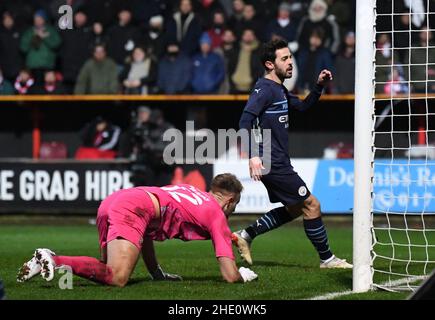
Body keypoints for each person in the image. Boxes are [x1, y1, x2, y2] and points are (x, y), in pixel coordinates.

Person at [232, 39, 352, 269]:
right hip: (271, 161)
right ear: (269, 64)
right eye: (284, 59)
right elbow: (244, 120)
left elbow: (304, 107)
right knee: (312, 205)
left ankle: (246, 235)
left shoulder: (279, 89)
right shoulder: (264, 89)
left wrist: (318, 86)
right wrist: (254, 155)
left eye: (290, 58)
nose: (290, 63)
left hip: (276, 161)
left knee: (296, 208)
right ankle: (327, 259)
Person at [17, 174, 258, 286]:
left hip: (116, 200)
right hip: (132, 208)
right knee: (117, 277)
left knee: (103, 270)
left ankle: (45, 260)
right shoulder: (216, 214)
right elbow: (228, 275)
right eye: (233, 207)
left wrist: (156, 273)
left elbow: (147, 230)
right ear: (229, 201)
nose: (232, 212)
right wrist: (241, 275)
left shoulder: (191, 191)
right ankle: (54, 259)